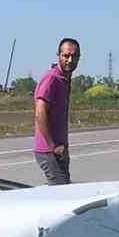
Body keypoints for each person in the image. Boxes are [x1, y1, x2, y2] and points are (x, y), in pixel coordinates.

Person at [33, 37, 79, 185]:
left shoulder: (65, 79)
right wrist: (53, 145)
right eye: (66, 55)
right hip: (49, 150)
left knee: (63, 186)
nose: (70, 60)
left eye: (74, 56)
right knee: (62, 191)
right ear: (58, 55)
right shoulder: (52, 78)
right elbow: (40, 113)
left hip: (59, 149)